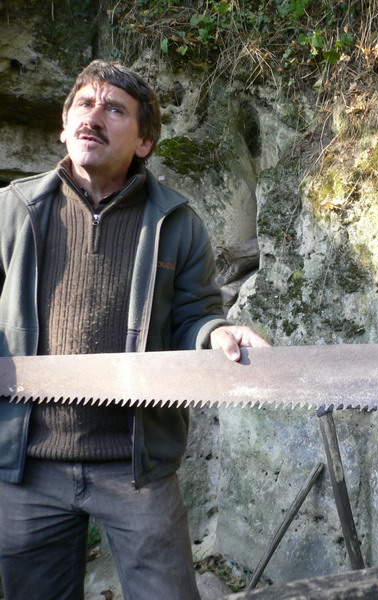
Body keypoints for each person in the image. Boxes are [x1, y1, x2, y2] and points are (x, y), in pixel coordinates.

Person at [0, 60, 269, 600]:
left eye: (114, 110)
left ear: (144, 142)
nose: (93, 117)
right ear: (64, 126)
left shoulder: (178, 222)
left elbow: (194, 314)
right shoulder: (12, 210)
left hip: (135, 467)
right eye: (84, 104)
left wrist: (216, 333)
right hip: (28, 467)